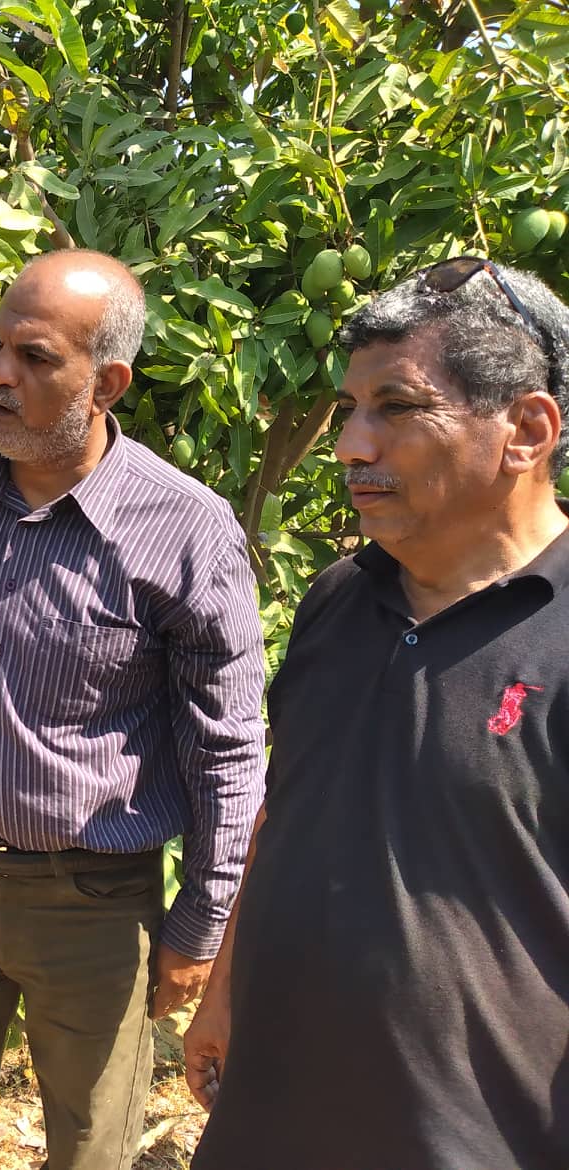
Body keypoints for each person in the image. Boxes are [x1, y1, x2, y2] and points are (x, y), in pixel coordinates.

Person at [185, 257, 569, 1170]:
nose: (352, 444)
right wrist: (227, 987)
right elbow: (290, 805)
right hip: (271, 1118)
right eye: (352, 410)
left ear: (526, 429)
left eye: (397, 408)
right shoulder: (338, 597)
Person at [0, 250, 267, 1170]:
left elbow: (228, 749)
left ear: (106, 383)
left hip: (92, 907)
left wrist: (201, 923)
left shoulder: (183, 528)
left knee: (92, 1148)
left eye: (33, 356)